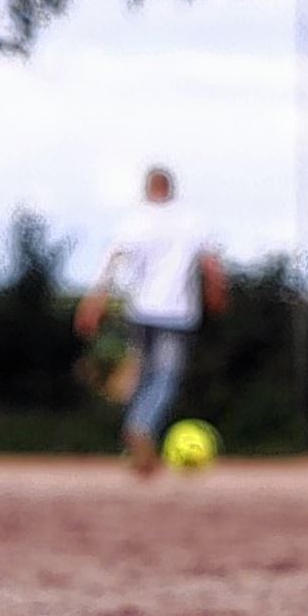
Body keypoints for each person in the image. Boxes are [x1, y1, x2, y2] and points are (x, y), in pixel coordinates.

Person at [75, 167, 227, 475]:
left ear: (147, 189)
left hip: (140, 312)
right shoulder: (190, 220)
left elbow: (112, 260)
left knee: (145, 377)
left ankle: (138, 437)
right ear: (171, 188)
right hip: (176, 314)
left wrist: (95, 302)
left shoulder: (134, 221)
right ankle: (140, 427)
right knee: (166, 378)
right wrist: (216, 291)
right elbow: (211, 265)